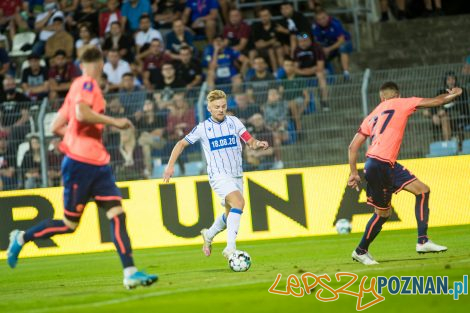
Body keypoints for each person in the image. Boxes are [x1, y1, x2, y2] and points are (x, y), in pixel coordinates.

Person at [6, 47, 158, 289]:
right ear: (99, 64)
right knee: (69, 225)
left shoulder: (75, 87)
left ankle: (130, 272)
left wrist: (75, 138)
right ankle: (21, 237)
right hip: (81, 164)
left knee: (117, 214)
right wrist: (114, 122)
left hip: (96, 163)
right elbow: (82, 113)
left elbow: (56, 126)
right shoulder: (88, 84)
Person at [347, 82, 462, 265]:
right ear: (398, 95)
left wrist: (353, 172)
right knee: (383, 214)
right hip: (381, 165)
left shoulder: (372, 115)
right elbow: (437, 101)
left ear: (381, 97)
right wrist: (454, 94)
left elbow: (353, 146)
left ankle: (423, 240)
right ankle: (361, 251)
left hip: (383, 163)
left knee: (423, 190)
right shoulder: (403, 102)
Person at [163, 90, 269, 259]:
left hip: (236, 175)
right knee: (239, 203)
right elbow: (180, 144)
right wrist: (170, 166)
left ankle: (209, 235)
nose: (221, 110)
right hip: (218, 176)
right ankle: (230, 249)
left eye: (224, 106)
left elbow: (249, 140)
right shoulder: (203, 128)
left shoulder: (234, 122)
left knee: (230, 215)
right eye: (217, 107)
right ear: (209, 108)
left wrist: (258, 143)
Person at [312, 8, 353, 79]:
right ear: (316, 20)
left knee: (342, 47)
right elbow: (313, 39)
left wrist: (328, 49)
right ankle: (330, 75)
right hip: (328, 45)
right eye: (319, 19)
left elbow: (341, 40)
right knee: (318, 51)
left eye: (323, 18)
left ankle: (346, 72)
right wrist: (322, 49)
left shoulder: (335, 23)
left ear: (328, 17)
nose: (322, 21)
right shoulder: (315, 26)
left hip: (344, 43)